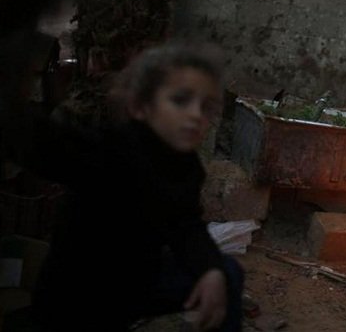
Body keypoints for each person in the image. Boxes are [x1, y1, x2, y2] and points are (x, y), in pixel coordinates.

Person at [3, 41, 243, 332]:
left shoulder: (186, 166)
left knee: (226, 273)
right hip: (78, 299)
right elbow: (42, 144)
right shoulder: (108, 150)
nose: (196, 115)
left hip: (137, 284)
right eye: (180, 100)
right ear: (141, 106)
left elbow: (186, 225)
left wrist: (209, 269)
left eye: (207, 107)